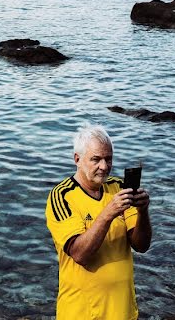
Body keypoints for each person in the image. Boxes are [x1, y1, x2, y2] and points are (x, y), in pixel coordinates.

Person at [45, 125, 152, 320]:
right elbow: (80, 254)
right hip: (82, 313)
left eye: (108, 159)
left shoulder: (119, 188)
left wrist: (143, 211)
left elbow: (141, 245)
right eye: (96, 159)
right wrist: (108, 213)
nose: (104, 166)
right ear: (77, 159)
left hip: (123, 311)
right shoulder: (62, 196)